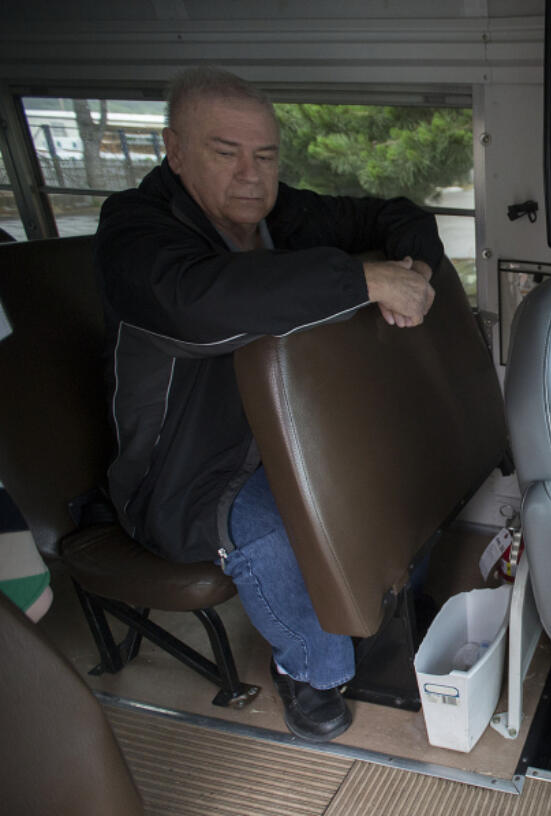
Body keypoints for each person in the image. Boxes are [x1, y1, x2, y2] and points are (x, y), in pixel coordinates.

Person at [95, 66, 444, 742]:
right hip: (186, 476)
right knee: (277, 526)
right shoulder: (135, 233)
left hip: (290, 432)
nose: (252, 174)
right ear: (175, 151)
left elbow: (395, 214)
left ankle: (383, 620)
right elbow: (199, 301)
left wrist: (417, 267)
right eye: (226, 152)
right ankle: (311, 672)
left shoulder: (285, 213)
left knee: (392, 470)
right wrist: (361, 279)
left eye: (266, 155)